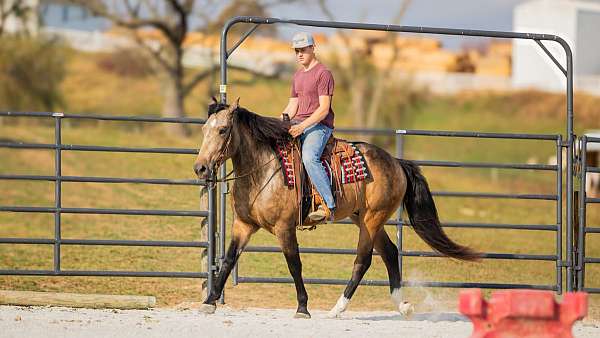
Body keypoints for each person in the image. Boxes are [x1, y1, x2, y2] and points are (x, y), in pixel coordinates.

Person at [280, 32, 336, 222]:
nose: (300, 54)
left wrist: (302, 126)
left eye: (303, 50)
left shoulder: (323, 74)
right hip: (299, 123)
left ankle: (328, 204)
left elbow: (324, 109)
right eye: (297, 51)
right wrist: (279, 122)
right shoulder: (297, 76)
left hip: (319, 126)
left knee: (309, 157)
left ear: (313, 48)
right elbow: (292, 106)